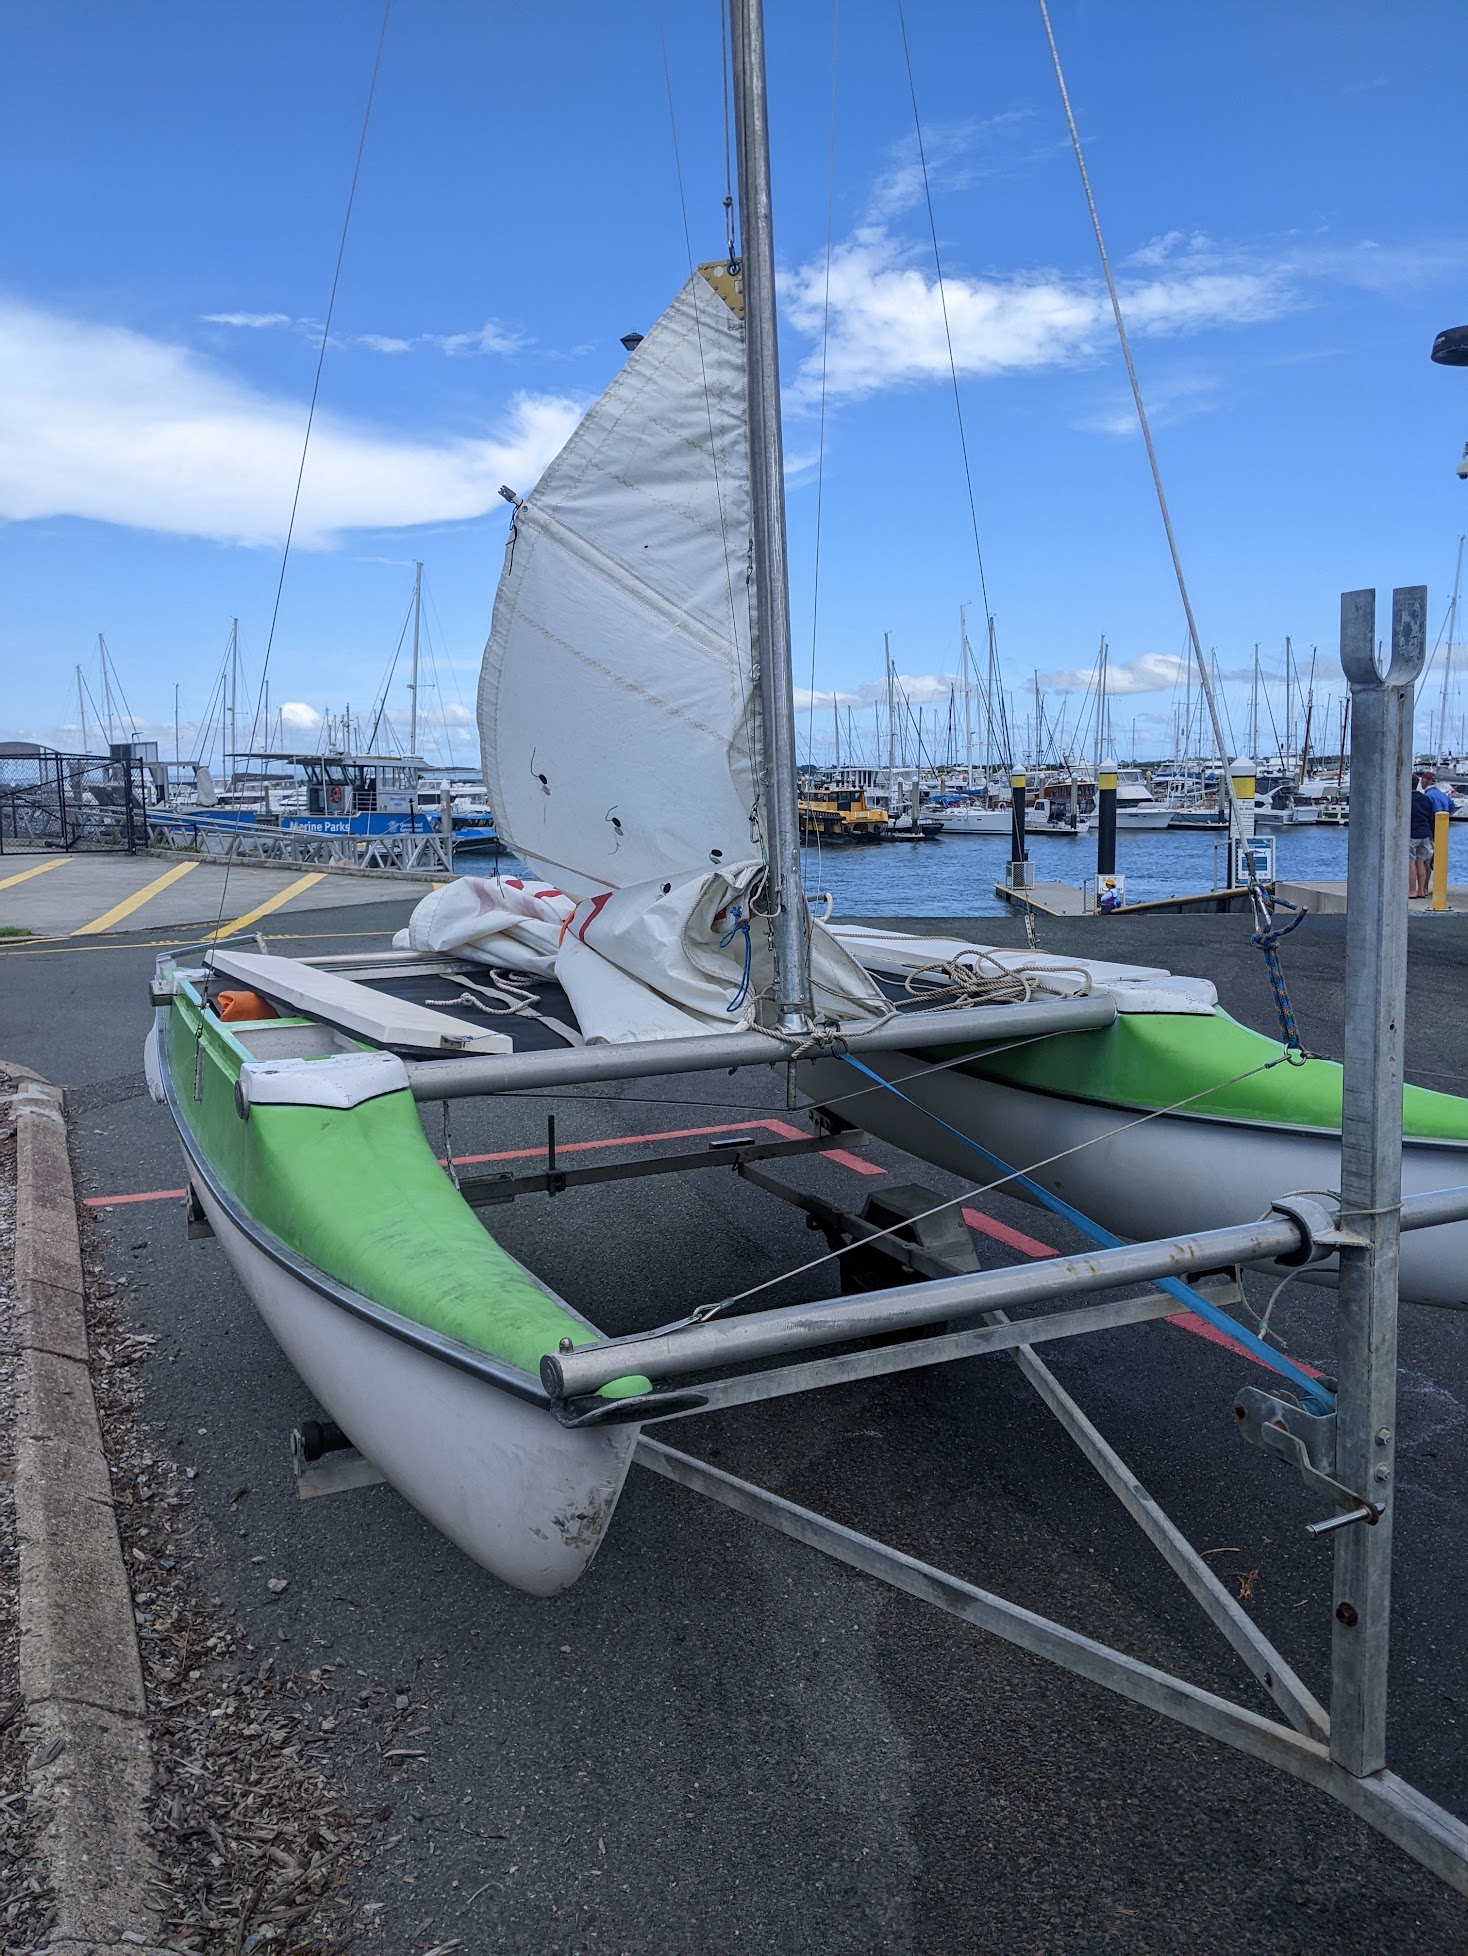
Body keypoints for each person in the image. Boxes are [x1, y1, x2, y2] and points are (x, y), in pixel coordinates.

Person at [1409, 773, 1437, 898]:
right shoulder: (1426, 799)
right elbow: (1431, 817)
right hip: (1425, 833)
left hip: (1412, 833)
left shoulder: (1406, 800)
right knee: (1421, 862)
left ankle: (1412, 890)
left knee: (1411, 862)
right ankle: (1421, 890)